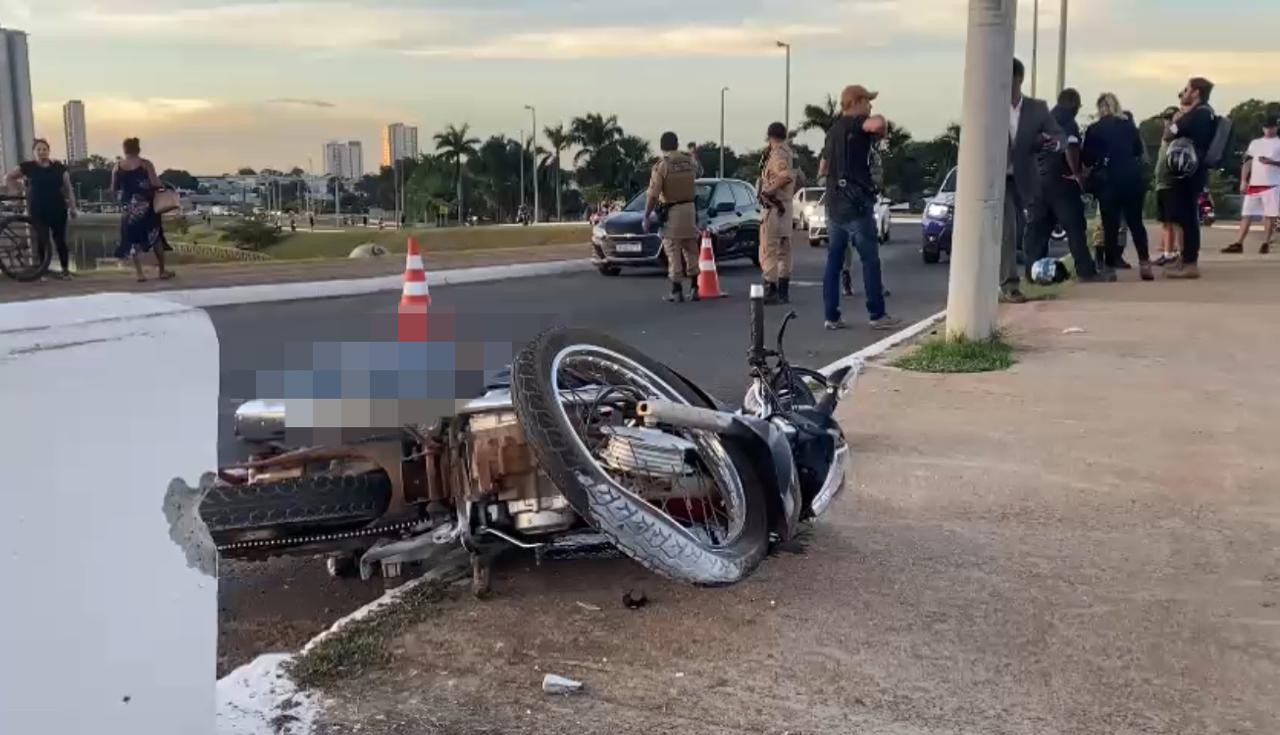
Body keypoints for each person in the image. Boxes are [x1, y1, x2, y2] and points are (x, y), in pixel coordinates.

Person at [1003, 60, 1106, 302]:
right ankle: (1085, 271)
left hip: (1038, 182)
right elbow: (1069, 146)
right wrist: (1078, 174)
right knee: (1074, 228)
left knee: (1037, 230)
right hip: (1061, 183)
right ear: (1074, 104)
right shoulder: (1067, 120)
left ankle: (1032, 273)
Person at [818, 84, 901, 330]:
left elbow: (822, 167)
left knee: (834, 262)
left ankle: (831, 316)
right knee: (870, 260)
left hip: (834, 206)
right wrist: (880, 123)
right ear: (854, 103)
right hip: (856, 204)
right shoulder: (856, 123)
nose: (870, 105)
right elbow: (877, 125)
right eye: (867, 101)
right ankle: (877, 314)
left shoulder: (832, 132)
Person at [1083, 93, 1153, 280]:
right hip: (1131, 178)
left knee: (1110, 225)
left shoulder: (1094, 129)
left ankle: (1109, 268)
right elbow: (1138, 150)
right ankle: (1145, 263)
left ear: (1100, 108)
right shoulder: (1129, 126)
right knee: (1136, 223)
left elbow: (1087, 159)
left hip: (1108, 181)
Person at [1163, 77, 1217, 279]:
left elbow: (1169, 134)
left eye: (1186, 90)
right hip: (1195, 171)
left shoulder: (1197, 114)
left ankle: (1190, 263)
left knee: (1186, 218)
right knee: (1185, 216)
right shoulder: (1207, 113)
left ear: (1195, 92)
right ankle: (1185, 258)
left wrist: (1176, 120)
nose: (1183, 93)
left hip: (1188, 173)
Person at [4, 139, 77, 279]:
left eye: (44, 149)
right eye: (38, 149)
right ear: (34, 152)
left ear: (48, 151)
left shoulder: (59, 167)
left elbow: (68, 188)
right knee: (42, 239)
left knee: (60, 240)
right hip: (37, 208)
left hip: (57, 208)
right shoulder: (28, 167)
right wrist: (18, 190)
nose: (42, 152)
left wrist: (73, 207)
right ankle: (42, 271)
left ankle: (65, 270)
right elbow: (8, 178)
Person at [643, 131, 700, 302]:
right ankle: (695, 288)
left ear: (662, 147)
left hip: (673, 211)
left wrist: (646, 215)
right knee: (691, 249)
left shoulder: (662, 165)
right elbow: (698, 172)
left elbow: (653, 195)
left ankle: (677, 290)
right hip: (690, 210)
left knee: (673, 250)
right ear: (676, 144)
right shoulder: (689, 161)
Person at [110, 137, 173, 282]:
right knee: (156, 236)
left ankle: (140, 274)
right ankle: (162, 271)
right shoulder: (146, 164)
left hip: (129, 207)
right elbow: (155, 183)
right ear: (138, 149)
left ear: (124, 149)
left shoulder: (117, 167)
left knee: (132, 239)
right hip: (147, 206)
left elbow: (113, 188)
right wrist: (162, 187)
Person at [1222, 116, 1280, 254]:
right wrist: (1243, 180)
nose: (1268, 130)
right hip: (1255, 183)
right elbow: (1247, 162)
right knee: (1247, 214)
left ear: (1276, 127)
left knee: (1269, 215)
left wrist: (1271, 162)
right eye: (1266, 127)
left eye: (1271, 127)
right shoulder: (1255, 143)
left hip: (1272, 183)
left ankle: (1266, 242)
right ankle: (1238, 243)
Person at [758, 122, 796, 304]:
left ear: (769, 137)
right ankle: (783, 290)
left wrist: (768, 191)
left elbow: (785, 176)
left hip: (774, 207)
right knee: (784, 250)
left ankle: (771, 288)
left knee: (769, 250)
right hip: (785, 207)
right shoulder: (788, 153)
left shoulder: (777, 154)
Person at [1152, 107, 1182, 265]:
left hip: (1171, 183)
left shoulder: (1176, 133)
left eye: (1169, 118)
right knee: (1165, 221)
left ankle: (1175, 253)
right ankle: (1167, 252)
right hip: (1162, 183)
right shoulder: (1167, 135)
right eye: (1166, 119)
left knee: (1173, 221)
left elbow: (1168, 135)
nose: (1166, 122)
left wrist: (1176, 123)